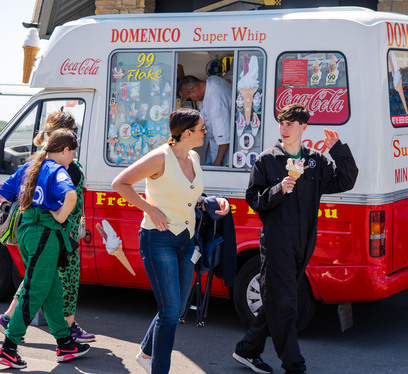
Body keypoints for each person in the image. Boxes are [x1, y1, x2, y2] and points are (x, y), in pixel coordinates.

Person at [233, 104, 358, 374]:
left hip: (304, 241)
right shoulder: (267, 160)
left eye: (291, 123)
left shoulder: (315, 160)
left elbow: (346, 181)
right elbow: (254, 199)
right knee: (287, 303)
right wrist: (279, 189)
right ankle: (294, 364)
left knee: (277, 299)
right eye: (282, 123)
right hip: (278, 240)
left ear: (304, 127)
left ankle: (247, 350)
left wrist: (338, 149)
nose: (285, 128)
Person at [112, 107, 230, 374]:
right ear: (187, 133)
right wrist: (150, 208)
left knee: (175, 309)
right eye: (202, 128)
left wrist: (210, 201)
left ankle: (145, 353)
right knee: (168, 313)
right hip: (158, 239)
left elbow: (188, 194)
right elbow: (120, 183)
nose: (205, 132)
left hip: (186, 241)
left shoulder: (193, 157)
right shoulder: (159, 158)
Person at [0, 109, 95, 344]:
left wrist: (9, 215)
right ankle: (11, 345)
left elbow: (4, 192)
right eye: (74, 135)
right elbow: (71, 197)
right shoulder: (61, 167)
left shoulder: (34, 163)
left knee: (44, 282)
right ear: (65, 144)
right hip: (56, 232)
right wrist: (63, 218)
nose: (74, 152)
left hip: (33, 230)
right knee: (54, 283)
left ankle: (63, 340)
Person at [178, 75, 232, 166]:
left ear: (193, 91)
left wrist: (218, 162)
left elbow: (224, 138)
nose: (192, 101)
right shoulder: (212, 81)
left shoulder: (216, 104)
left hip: (223, 153)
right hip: (214, 144)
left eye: (189, 98)